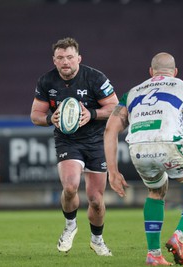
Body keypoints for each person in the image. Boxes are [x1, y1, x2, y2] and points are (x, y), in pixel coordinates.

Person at [104, 52, 183, 265]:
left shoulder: (132, 92)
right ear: (174, 72)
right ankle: (178, 236)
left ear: (150, 72)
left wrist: (113, 171)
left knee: (156, 191)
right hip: (168, 143)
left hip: (137, 148)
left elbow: (110, 130)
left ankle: (153, 254)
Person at [30, 37, 118, 256]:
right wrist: (52, 119)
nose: (65, 61)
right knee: (70, 187)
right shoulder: (46, 82)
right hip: (67, 140)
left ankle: (97, 239)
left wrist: (93, 114)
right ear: (54, 60)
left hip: (97, 140)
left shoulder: (95, 78)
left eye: (69, 57)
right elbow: (35, 115)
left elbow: (116, 108)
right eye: (60, 58)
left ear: (79, 58)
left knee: (96, 200)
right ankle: (70, 226)